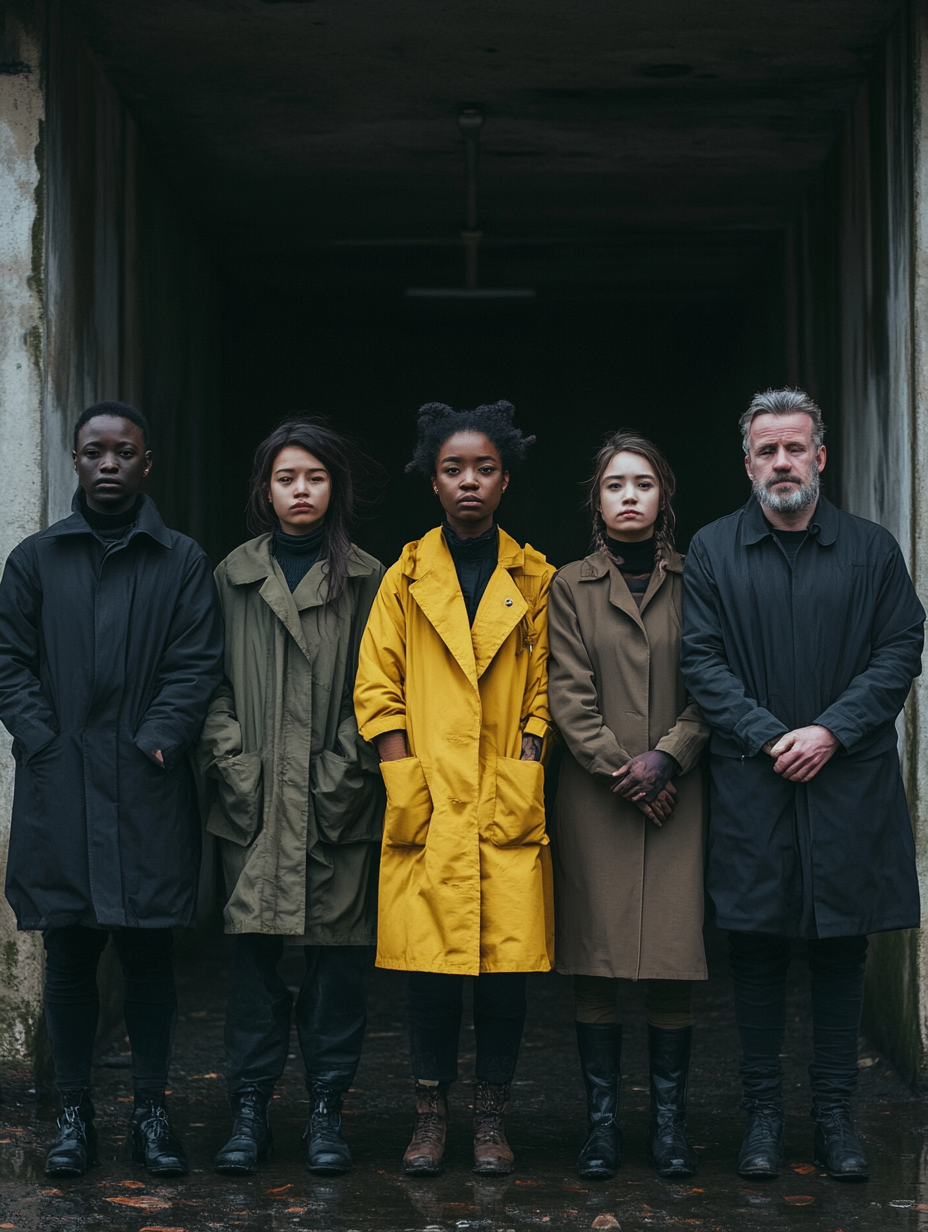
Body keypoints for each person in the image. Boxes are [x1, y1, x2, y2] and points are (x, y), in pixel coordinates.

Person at [680, 388, 925, 1182]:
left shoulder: (870, 550)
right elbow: (701, 662)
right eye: (766, 450)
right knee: (754, 952)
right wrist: (765, 733)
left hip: (845, 780)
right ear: (746, 463)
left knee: (838, 952)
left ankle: (833, 1119)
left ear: (821, 456)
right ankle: (761, 1120)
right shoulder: (715, 550)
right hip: (757, 781)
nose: (781, 462)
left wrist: (830, 730)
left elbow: (899, 649)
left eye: (795, 448)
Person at [0, 401, 224, 1179]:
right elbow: (9, 661)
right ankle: (73, 1115)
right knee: (68, 958)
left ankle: (152, 1116)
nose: (108, 465)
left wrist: (160, 737)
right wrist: (42, 738)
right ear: (73, 458)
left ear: (146, 463)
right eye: (94, 451)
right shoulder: (34, 560)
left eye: (123, 453)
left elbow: (196, 662)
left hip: (144, 783)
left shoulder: (182, 560)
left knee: (148, 958)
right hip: (62, 786)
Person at [353, 400, 554, 1177]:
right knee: (430, 971)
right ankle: (430, 1116)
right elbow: (378, 687)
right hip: (429, 800)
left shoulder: (536, 578)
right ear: (431, 482)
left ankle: (492, 1119)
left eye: (485, 468)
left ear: (505, 481)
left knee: (504, 970)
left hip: (505, 794)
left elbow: (546, 688)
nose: (469, 481)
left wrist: (527, 760)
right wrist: (404, 775)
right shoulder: (402, 579)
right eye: (452, 469)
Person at [196, 419, 385, 1176]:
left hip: (339, 801)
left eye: (313, 477)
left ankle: (325, 1112)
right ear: (264, 489)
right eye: (285, 478)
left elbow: (384, 693)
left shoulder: (371, 579)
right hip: (253, 800)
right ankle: (248, 1114)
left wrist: (345, 770)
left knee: (338, 973)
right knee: (253, 968)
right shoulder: (230, 576)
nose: (300, 490)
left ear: (334, 487)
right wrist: (231, 759)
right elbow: (203, 684)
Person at [547, 431, 710, 1180]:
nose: (630, 496)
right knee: (598, 960)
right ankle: (603, 1127)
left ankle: (670, 1129)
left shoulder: (699, 577)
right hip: (599, 796)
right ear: (598, 499)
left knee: (673, 957)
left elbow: (715, 682)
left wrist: (669, 755)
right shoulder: (568, 585)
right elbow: (567, 695)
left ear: (663, 496)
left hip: (680, 789)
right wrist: (629, 768)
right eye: (616, 484)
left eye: (643, 483)